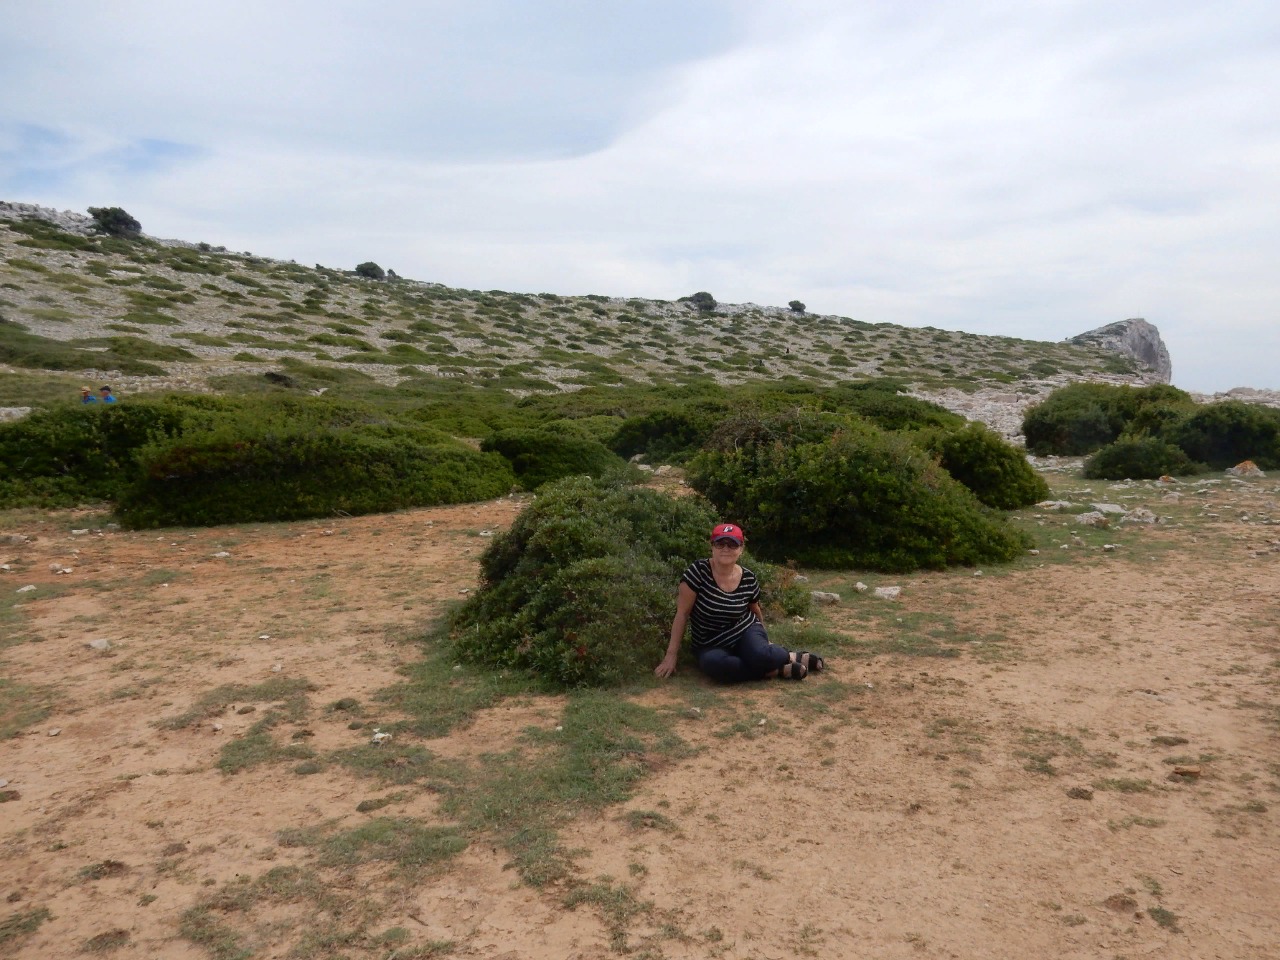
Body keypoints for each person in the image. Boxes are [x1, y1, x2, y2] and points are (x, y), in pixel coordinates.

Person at [656, 522, 825, 683]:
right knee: (716, 666)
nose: (726, 549)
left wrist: (765, 641)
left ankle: (789, 656)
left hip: (745, 631)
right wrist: (671, 655)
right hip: (709, 643)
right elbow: (682, 614)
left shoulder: (748, 578)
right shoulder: (697, 571)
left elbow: (755, 609)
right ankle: (776, 670)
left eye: (732, 544)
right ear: (712, 546)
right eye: (720, 544)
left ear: (741, 549)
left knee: (761, 655)